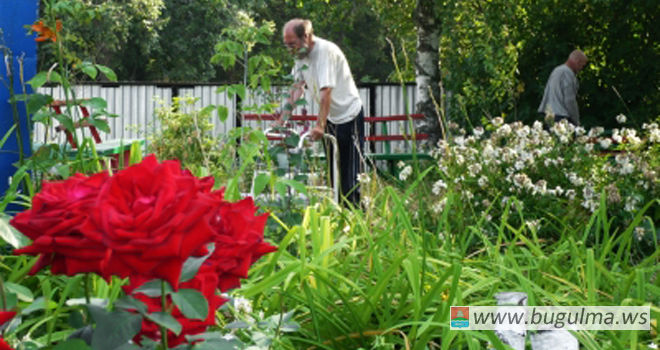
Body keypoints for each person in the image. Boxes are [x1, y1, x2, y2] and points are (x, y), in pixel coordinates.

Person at [277, 19, 364, 206]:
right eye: (286, 46)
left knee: (350, 176)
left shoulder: (325, 52)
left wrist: (319, 125)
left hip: (349, 114)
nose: (289, 49)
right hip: (330, 117)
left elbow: (326, 92)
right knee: (334, 174)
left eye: (292, 44)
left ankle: (358, 219)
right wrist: (281, 120)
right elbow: (296, 88)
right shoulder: (300, 56)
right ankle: (338, 219)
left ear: (306, 37)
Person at [538, 49, 588, 126]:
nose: (581, 68)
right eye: (582, 65)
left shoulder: (556, 70)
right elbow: (569, 100)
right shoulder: (568, 73)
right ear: (577, 61)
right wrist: (576, 120)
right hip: (561, 118)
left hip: (549, 115)